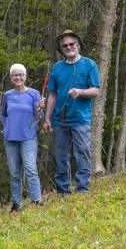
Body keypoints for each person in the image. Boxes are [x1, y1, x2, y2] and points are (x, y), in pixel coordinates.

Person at [43, 31, 101, 194]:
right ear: (61, 49)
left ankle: (82, 188)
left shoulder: (90, 64)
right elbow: (52, 95)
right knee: (60, 155)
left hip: (81, 118)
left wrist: (80, 92)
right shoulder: (57, 68)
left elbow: (95, 90)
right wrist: (47, 118)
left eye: (71, 44)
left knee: (82, 153)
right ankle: (63, 191)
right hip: (59, 119)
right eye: (65, 45)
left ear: (78, 45)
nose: (68, 47)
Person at [0, 64, 43, 209]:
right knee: (14, 174)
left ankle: (36, 200)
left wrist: (40, 109)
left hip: (28, 137)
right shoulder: (7, 95)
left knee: (30, 169)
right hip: (10, 139)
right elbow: (3, 114)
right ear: (11, 78)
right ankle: (16, 204)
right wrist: (6, 127)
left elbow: (38, 117)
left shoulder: (34, 93)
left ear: (25, 77)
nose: (18, 77)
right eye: (15, 75)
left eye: (21, 74)